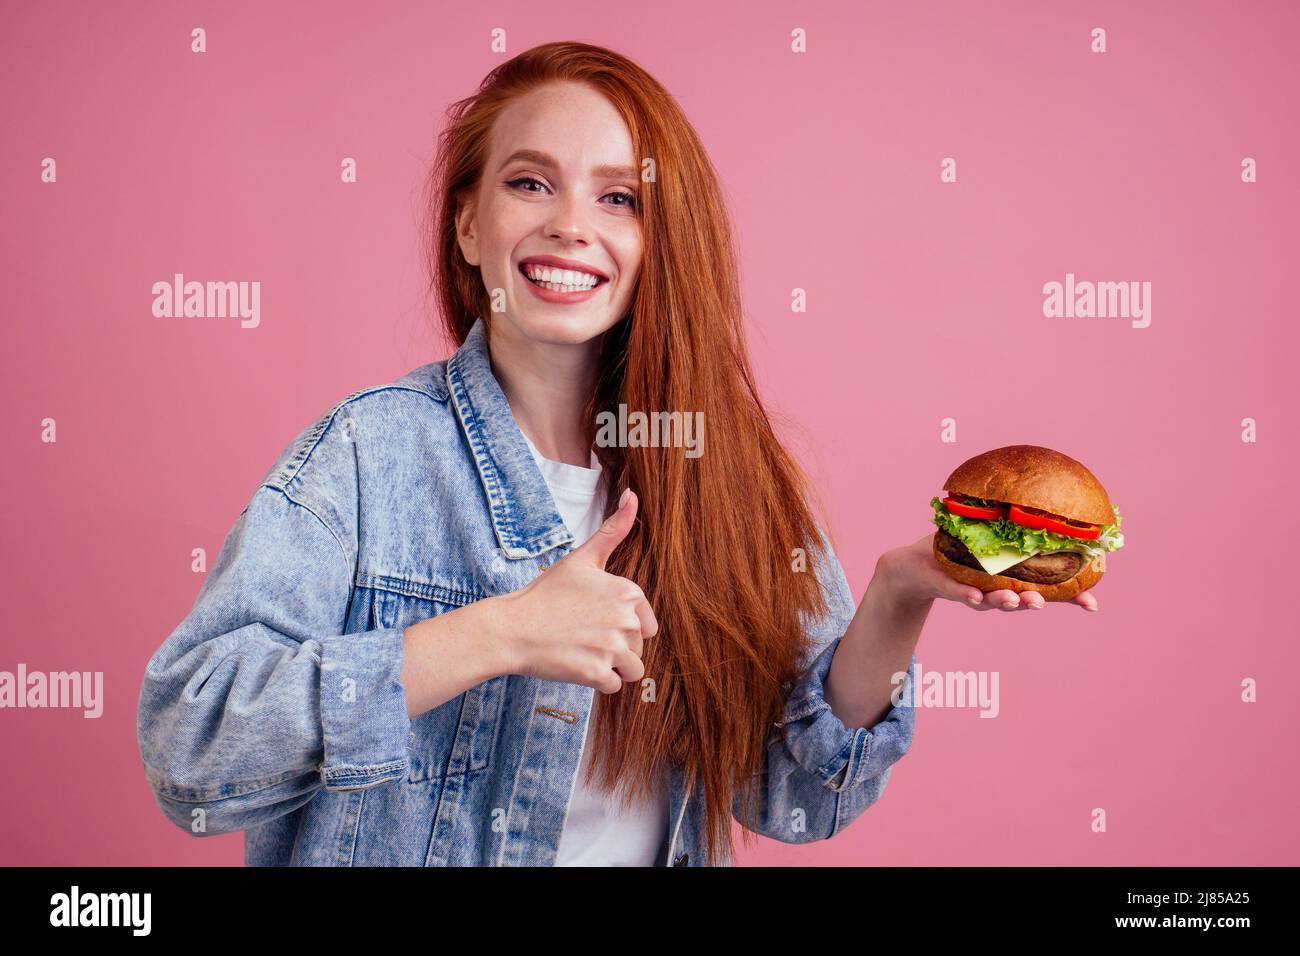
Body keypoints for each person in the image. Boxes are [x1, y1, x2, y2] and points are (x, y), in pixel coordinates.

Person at [136, 41, 1096, 868]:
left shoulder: (729, 477)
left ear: (661, 238)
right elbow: (192, 757)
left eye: (620, 196)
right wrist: (498, 635)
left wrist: (895, 601)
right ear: (468, 224)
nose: (570, 225)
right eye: (529, 182)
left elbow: (802, 798)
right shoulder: (364, 454)